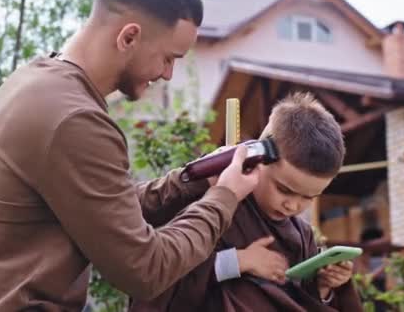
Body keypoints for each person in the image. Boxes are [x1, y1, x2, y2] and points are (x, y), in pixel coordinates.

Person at [0, 0, 262, 310]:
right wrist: (224, 197)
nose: (168, 74)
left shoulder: (33, 83)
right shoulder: (74, 120)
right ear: (129, 37)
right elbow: (146, 269)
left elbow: (103, 205)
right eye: (169, 57)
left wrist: (190, 180)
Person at [129, 92, 363, 312]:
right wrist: (237, 262)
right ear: (255, 158)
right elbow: (161, 278)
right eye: (284, 190)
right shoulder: (214, 206)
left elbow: (300, 300)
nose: (293, 206)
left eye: (308, 197)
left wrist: (324, 286)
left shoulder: (302, 234)